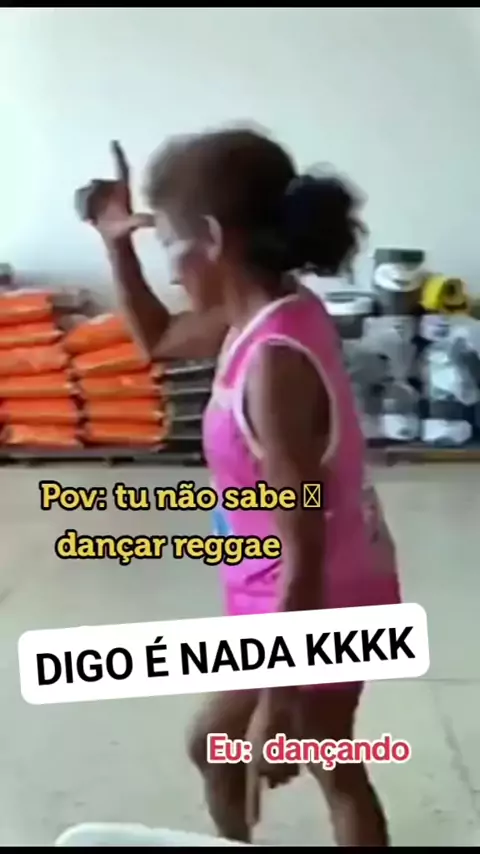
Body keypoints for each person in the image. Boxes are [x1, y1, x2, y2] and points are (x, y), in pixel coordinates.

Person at [75, 127, 401, 847]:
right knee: (227, 751)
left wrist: (279, 694)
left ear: (215, 239)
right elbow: (159, 341)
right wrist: (117, 244)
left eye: (170, 245)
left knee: (328, 763)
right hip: (277, 587)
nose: (171, 271)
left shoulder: (274, 364)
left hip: (321, 598)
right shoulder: (260, 309)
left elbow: (304, 539)